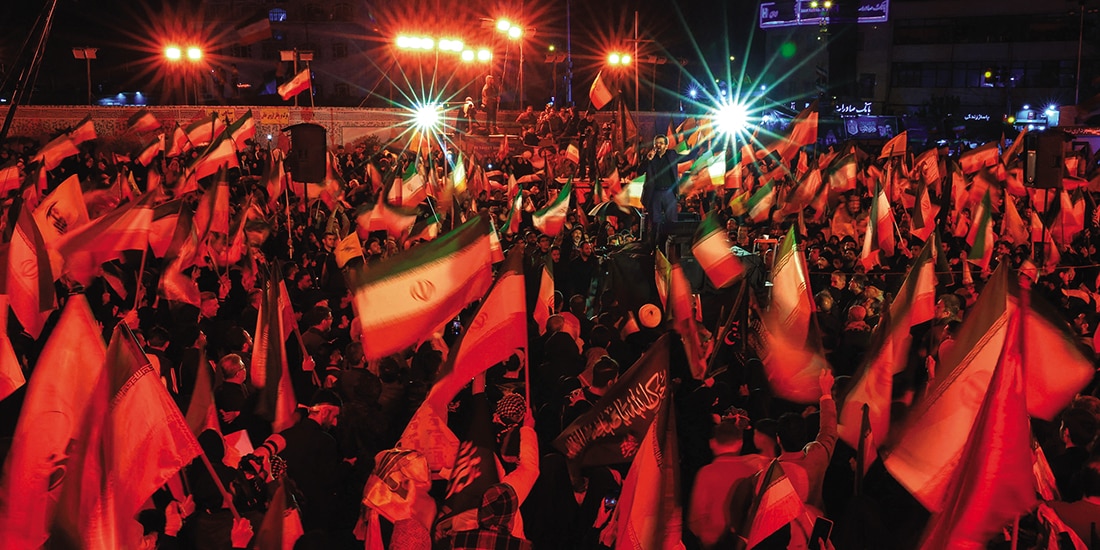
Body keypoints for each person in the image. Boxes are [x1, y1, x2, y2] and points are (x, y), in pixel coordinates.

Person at [689, 414, 767, 549]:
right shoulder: (753, 472)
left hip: (714, 544)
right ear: (739, 443)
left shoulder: (706, 473)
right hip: (745, 543)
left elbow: (695, 519)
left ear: (712, 443)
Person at [641, 134, 679, 251]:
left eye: (661, 143)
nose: (658, 145)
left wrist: (699, 149)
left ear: (666, 146)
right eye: (656, 143)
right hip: (655, 193)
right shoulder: (650, 157)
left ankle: (672, 249)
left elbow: (685, 157)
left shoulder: (671, 155)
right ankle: (654, 248)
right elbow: (639, 171)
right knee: (655, 223)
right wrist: (648, 160)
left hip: (668, 192)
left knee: (671, 221)